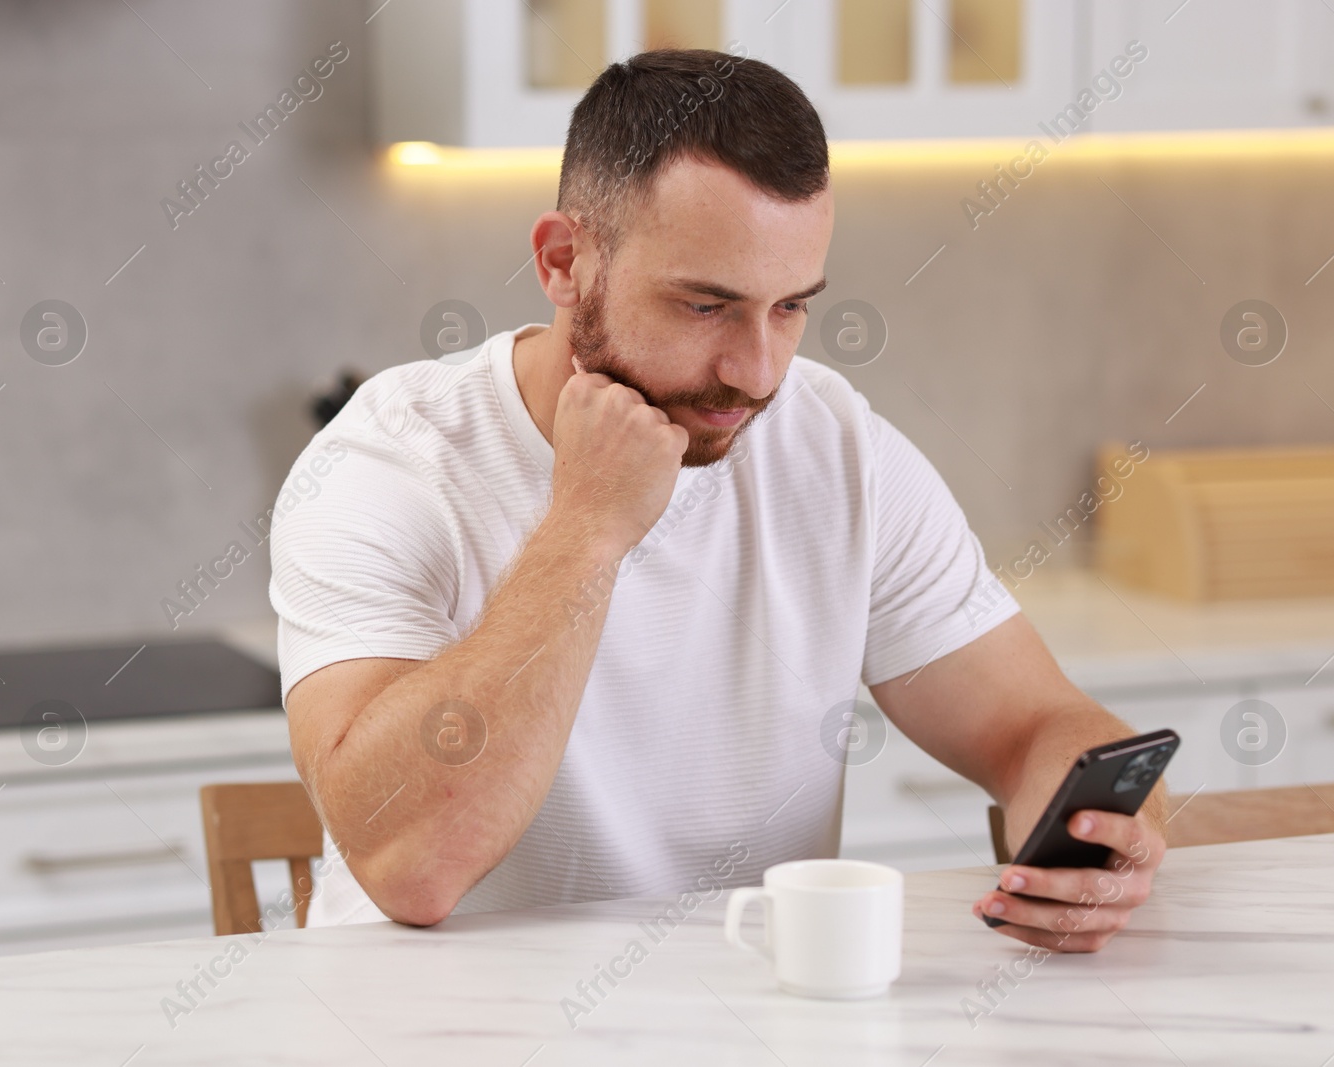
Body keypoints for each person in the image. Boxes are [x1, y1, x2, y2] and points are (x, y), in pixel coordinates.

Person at [270, 49, 1167, 953]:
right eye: (705, 307)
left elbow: (1037, 724)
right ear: (564, 260)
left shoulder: (837, 446)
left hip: (752, 1016)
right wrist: (588, 526)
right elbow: (409, 865)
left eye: (788, 308)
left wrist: (1094, 829)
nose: (757, 372)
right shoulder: (384, 462)